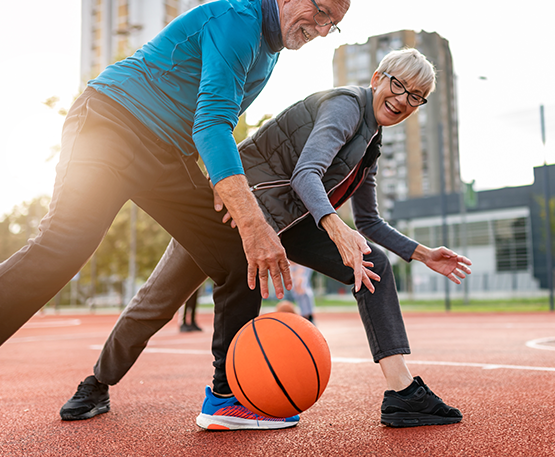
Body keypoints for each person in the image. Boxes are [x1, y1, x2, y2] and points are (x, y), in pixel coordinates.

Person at [0, 0, 355, 457]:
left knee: (235, 258)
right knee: (61, 250)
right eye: (320, 12)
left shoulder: (271, 52)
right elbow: (212, 123)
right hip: (110, 124)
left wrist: (229, 205)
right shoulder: (236, 24)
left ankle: (227, 398)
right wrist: (253, 218)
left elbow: (204, 128)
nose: (322, 29)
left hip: (163, 154)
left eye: (333, 25)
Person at [60, 48, 472, 430]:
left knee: (373, 265)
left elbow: (369, 220)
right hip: (236, 209)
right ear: (379, 78)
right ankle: (98, 382)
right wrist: (333, 225)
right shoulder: (346, 104)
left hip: (287, 223)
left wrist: (421, 253)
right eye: (398, 85)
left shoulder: (370, 144)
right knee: (158, 300)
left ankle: (402, 393)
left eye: (416, 96)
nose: (403, 100)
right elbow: (306, 173)